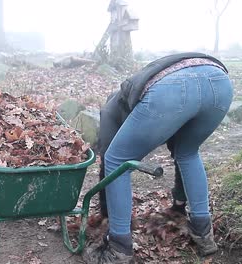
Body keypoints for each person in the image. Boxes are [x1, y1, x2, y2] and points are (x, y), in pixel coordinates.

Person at [84, 52, 233, 263]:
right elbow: (177, 148)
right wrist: (179, 205)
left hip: (174, 90)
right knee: (188, 153)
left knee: (117, 159)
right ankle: (204, 234)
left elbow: (109, 161)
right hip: (219, 83)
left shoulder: (111, 109)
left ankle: (118, 250)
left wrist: (107, 214)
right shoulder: (133, 97)